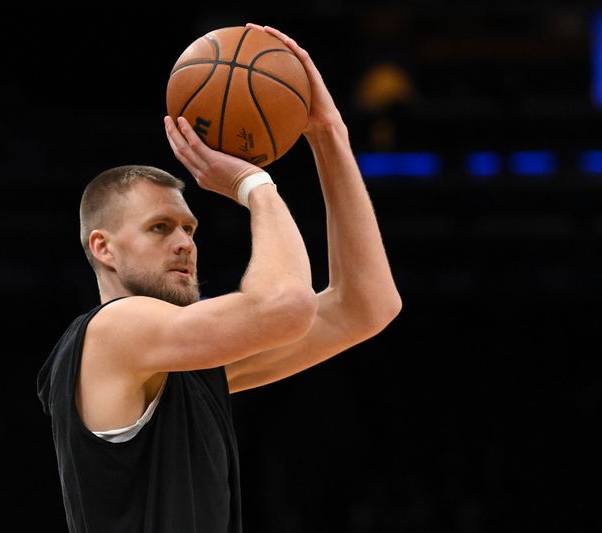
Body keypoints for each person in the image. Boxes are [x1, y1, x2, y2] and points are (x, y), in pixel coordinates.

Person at [37, 23, 402, 533]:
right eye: (160, 227)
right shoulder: (113, 333)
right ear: (103, 247)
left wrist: (327, 134)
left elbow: (367, 306)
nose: (185, 242)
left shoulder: (181, 366)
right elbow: (287, 306)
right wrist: (254, 185)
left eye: (189, 227)